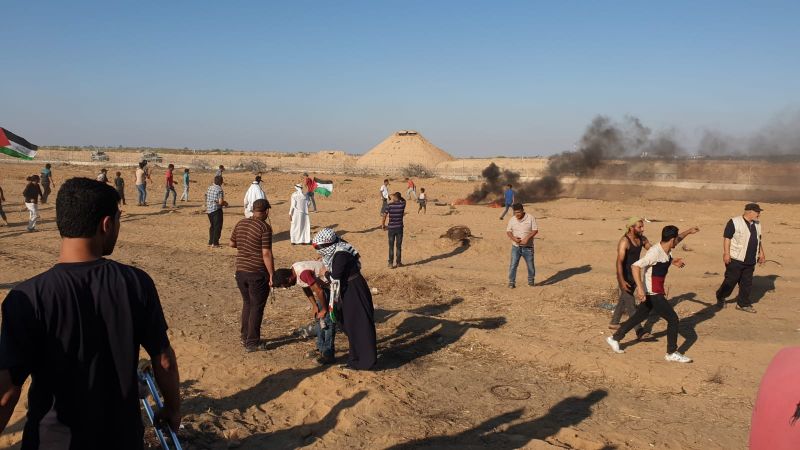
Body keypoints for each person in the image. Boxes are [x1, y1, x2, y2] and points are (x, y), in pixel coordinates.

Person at [0, 177, 181, 447]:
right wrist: (173, 408)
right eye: (118, 220)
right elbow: (163, 359)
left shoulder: (27, 297)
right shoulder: (136, 283)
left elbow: (7, 393)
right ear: (106, 225)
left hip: (52, 441)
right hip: (122, 438)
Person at [606, 225, 695, 363]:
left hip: (654, 292)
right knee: (673, 319)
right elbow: (635, 266)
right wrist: (640, 289)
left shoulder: (666, 249)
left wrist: (688, 233)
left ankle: (615, 338)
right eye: (675, 239)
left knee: (637, 318)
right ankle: (671, 352)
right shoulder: (654, 252)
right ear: (671, 239)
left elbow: (675, 243)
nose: (676, 242)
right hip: (653, 293)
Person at [610, 218, 700, 333]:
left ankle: (614, 323)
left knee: (624, 299)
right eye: (639, 227)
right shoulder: (624, 242)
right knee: (631, 304)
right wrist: (621, 280)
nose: (643, 229)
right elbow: (619, 262)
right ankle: (639, 331)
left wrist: (687, 232)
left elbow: (658, 251)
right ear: (631, 228)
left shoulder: (642, 239)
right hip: (626, 276)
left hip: (635, 275)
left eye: (642, 226)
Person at [312, 228, 376, 370]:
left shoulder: (341, 254)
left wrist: (325, 272)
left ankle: (365, 361)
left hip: (353, 290)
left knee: (359, 324)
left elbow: (335, 278)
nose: (319, 252)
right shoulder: (338, 249)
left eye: (320, 248)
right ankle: (355, 359)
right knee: (352, 324)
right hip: (349, 289)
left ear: (328, 245)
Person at [229, 199, 274, 352]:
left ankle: (245, 336)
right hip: (257, 272)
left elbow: (232, 244)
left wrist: (245, 247)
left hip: (240, 271)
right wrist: (271, 274)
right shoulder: (265, 228)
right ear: (266, 211)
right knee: (256, 307)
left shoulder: (241, 223)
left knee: (247, 303)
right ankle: (252, 342)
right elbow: (266, 253)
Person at [272, 261, 336, 365]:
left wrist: (324, 309)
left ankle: (328, 354)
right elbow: (305, 286)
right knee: (319, 319)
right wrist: (314, 305)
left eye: (286, 285)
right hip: (323, 288)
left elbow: (318, 291)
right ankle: (321, 349)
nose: (287, 287)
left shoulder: (303, 273)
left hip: (329, 288)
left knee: (328, 321)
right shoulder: (294, 270)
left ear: (289, 279)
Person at [716, 203, 766, 313]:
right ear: (749, 211)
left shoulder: (757, 224)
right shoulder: (734, 222)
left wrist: (761, 253)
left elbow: (759, 239)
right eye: (757, 212)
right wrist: (726, 253)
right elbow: (727, 238)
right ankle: (720, 296)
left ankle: (743, 304)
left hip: (750, 259)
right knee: (731, 281)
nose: (759, 214)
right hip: (735, 258)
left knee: (747, 283)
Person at [506, 203, 537, 288]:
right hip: (515, 247)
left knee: (530, 266)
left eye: (519, 212)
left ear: (523, 211)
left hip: (528, 247)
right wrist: (514, 238)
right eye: (515, 212)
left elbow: (535, 230)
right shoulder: (512, 219)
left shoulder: (530, 218)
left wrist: (527, 238)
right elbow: (508, 231)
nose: (517, 214)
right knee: (513, 265)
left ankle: (531, 282)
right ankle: (511, 282)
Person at [382, 192, 406, 268]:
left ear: (395, 198)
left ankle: (390, 263)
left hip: (391, 228)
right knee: (398, 246)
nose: (392, 198)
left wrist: (383, 225)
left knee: (391, 246)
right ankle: (398, 263)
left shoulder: (389, 205)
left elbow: (384, 216)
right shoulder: (402, 205)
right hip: (399, 228)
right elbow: (404, 200)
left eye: (393, 197)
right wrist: (399, 196)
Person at [206, 175, 227, 248]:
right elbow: (221, 202)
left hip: (209, 210)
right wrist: (225, 203)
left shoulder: (209, 187)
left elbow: (206, 197)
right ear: (221, 182)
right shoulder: (219, 189)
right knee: (217, 227)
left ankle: (210, 241)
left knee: (212, 226)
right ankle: (215, 243)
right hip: (216, 210)